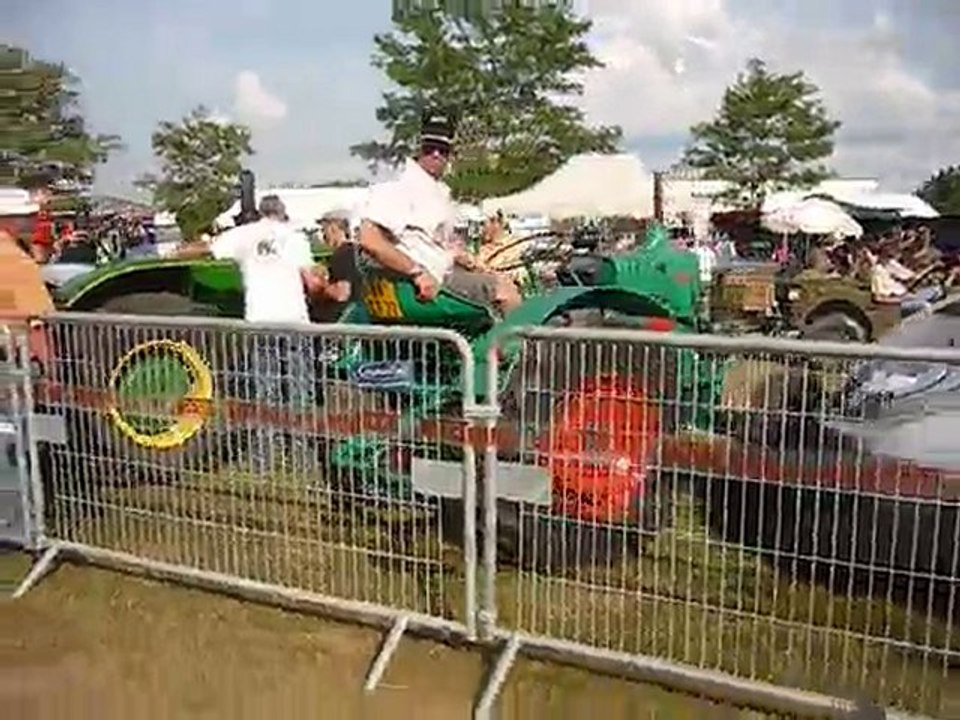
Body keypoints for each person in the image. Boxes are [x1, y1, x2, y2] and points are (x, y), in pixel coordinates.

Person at [177, 195, 324, 472]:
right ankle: (301, 455)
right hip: (294, 320)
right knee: (299, 390)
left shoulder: (243, 234)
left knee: (265, 390)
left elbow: (208, 248)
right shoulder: (295, 237)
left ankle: (264, 456)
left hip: (260, 320)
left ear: (259, 212)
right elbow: (312, 281)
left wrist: (176, 251)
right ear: (282, 213)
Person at [356, 109, 521, 314]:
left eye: (443, 149)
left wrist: (466, 259)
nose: (436, 154)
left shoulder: (436, 190)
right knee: (505, 290)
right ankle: (519, 336)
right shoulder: (401, 185)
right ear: (419, 148)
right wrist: (417, 272)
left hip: (441, 274)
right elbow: (369, 240)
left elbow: (435, 241)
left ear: (450, 154)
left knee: (497, 279)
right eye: (430, 148)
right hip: (425, 284)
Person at [869, 243, 942, 314]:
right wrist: (900, 300)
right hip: (897, 303)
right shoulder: (877, 272)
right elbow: (878, 298)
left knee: (937, 291)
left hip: (906, 294)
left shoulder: (891, 263)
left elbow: (912, 277)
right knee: (925, 305)